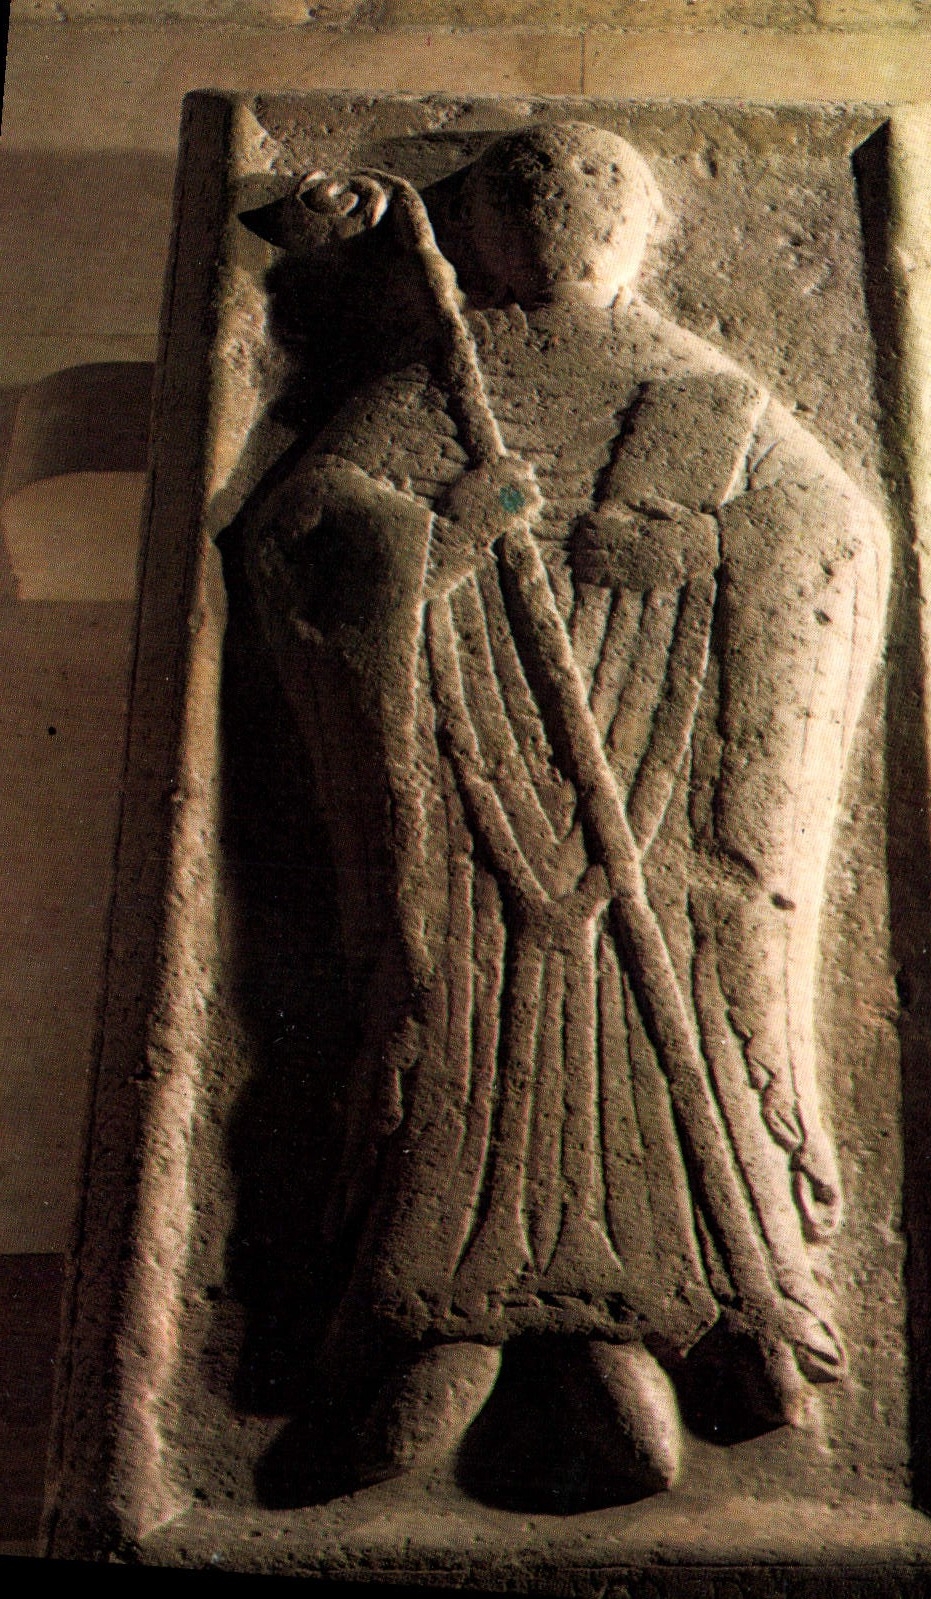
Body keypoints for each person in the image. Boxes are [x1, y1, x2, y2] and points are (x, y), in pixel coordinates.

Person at [240, 120, 891, 1502]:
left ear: (637, 225)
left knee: (655, 1033)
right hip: (478, 776)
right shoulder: (438, 386)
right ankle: (444, 1318)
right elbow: (305, 528)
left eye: (588, 190)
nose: (554, 218)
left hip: (650, 781)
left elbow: (829, 530)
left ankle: (664, 1325)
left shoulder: (696, 392)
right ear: (476, 228)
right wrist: (446, 536)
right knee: (465, 1017)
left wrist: (696, 550)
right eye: (521, 195)